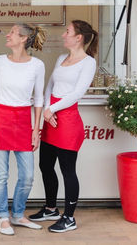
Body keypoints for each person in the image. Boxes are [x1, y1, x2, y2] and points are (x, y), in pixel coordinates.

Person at [28, 20, 98, 233]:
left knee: (68, 170)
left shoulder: (88, 62)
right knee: (45, 165)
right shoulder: (61, 58)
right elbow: (50, 85)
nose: (63, 35)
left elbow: (77, 93)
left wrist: (53, 109)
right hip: (52, 118)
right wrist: (48, 110)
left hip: (67, 121)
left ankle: (68, 218)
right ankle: (51, 209)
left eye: (67, 31)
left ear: (79, 37)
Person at [0, 23, 46, 235]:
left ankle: (17, 215)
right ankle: (3, 217)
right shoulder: (0, 61)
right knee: (1, 176)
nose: (7, 35)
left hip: (22, 121)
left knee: (27, 175)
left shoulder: (37, 65)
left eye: (12, 33)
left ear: (23, 39)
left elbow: (38, 99)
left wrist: (36, 131)